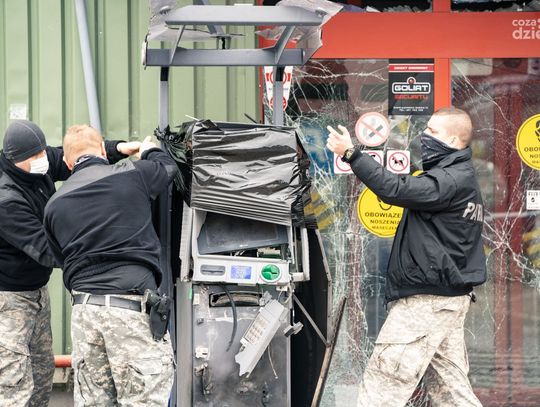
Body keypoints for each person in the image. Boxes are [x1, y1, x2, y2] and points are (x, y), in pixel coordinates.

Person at [326, 107, 486, 407]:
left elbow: (395, 189)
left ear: (453, 140)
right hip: (446, 300)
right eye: (426, 129)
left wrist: (351, 154)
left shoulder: (450, 180)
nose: (425, 136)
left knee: (382, 387)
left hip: (427, 303)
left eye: (433, 132)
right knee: (451, 393)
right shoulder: (458, 178)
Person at [0, 119, 139, 406]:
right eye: (36, 156)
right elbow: (45, 249)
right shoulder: (6, 200)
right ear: (15, 160)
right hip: (9, 301)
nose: (43, 159)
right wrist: (101, 252)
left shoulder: (36, 162)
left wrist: (118, 149)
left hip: (36, 292)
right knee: (14, 385)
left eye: (43, 152)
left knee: (41, 375)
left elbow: (73, 157)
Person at [44, 125, 178, 406]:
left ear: (67, 162)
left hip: (85, 313)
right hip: (130, 309)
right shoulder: (133, 174)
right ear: (103, 152)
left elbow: (61, 258)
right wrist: (148, 150)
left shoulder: (54, 205)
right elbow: (168, 168)